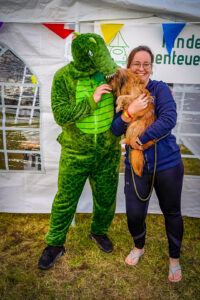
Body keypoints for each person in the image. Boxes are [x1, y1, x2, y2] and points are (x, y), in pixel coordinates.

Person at [38, 33, 122, 270]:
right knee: (65, 200)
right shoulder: (63, 77)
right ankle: (54, 244)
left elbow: (123, 102)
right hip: (75, 153)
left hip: (107, 152)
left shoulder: (110, 75)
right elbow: (61, 115)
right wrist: (92, 100)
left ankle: (99, 232)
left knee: (106, 198)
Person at [111, 45, 184, 283]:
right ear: (129, 66)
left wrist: (141, 140)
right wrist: (130, 111)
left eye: (146, 64)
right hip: (136, 165)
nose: (141, 68)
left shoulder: (159, 88)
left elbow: (168, 119)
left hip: (167, 163)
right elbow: (115, 129)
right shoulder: (122, 90)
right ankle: (139, 246)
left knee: (171, 212)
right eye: (137, 64)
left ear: (151, 67)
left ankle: (174, 259)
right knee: (134, 213)